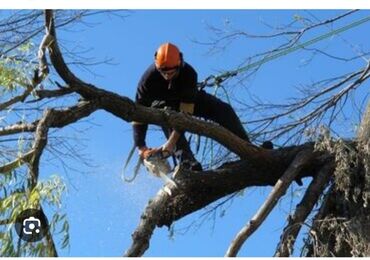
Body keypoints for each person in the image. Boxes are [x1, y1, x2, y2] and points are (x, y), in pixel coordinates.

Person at [132, 42, 255, 171]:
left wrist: (170, 144)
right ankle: (188, 162)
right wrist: (141, 147)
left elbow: (185, 115)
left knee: (224, 110)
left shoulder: (189, 74)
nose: (167, 76)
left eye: (171, 72)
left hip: (188, 101)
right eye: (163, 72)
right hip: (163, 106)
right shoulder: (147, 81)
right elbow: (138, 114)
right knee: (168, 116)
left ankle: (249, 149)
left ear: (179, 64)